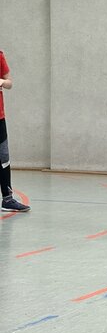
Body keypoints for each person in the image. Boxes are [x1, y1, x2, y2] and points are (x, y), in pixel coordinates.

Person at [0, 49, 31, 212]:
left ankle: (8, 199)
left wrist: (1, 81)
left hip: (0, 117)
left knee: (3, 156)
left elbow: (9, 83)